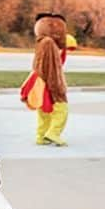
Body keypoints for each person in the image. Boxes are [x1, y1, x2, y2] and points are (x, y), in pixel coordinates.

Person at [28, 13, 70, 146]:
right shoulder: (49, 43)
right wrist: (57, 87)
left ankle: (41, 135)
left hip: (40, 81)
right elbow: (53, 68)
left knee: (44, 111)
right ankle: (53, 133)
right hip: (50, 83)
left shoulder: (41, 42)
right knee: (61, 109)